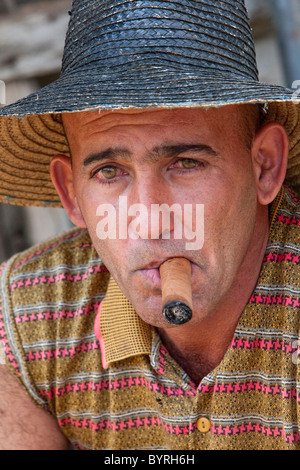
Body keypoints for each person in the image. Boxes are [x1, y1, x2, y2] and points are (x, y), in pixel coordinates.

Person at [0, 0, 299, 451]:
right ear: (71, 194)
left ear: (264, 167)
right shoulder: (29, 317)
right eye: (109, 172)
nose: (150, 218)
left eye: (185, 163)